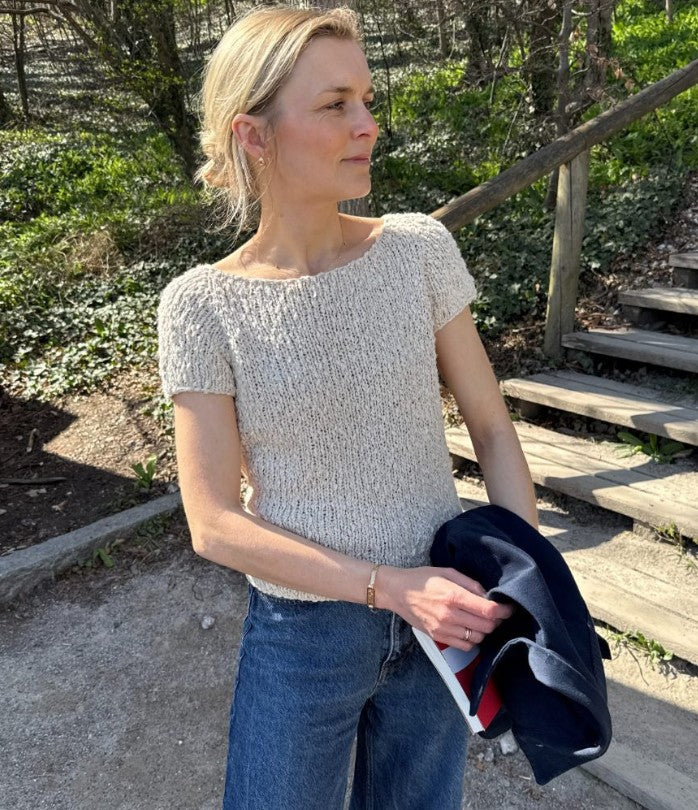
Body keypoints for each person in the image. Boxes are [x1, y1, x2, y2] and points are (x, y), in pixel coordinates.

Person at [156, 5, 538, 809]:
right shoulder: (202, 306)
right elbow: (213, 522)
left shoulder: (418, 249)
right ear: (254, 135)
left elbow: (492, 427)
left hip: (445, 611)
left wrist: (521, 576)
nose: (367, 124)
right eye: (335, 105)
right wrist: (387, 587)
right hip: (306, 636)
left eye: (366, 99)